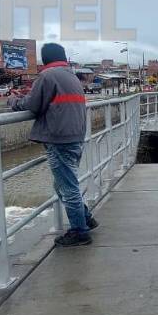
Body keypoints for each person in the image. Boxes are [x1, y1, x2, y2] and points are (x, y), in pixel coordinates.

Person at [8, 43, 98, 246]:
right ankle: (85, 219)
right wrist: (30, 95)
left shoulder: (47, 76)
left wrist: (13, 102)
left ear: (44, 59)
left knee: (68, 187)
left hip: (59, 139)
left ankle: (80, 231)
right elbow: (47, 99)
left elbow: (32, 105)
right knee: (63, 185)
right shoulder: (70, 75)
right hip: (74, 136)